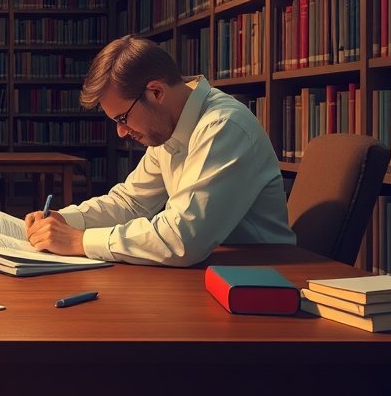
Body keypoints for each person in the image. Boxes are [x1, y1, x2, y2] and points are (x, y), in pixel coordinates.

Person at [25, 35, 294, 266]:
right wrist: (67, 220)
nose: (120, 131)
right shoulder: (169, 128)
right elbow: (132, 202)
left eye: (122, 118)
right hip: (215, 269)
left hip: (262, 277)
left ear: (155, 92)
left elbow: (183, 238)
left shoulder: (224, 127)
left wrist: (80, 240)